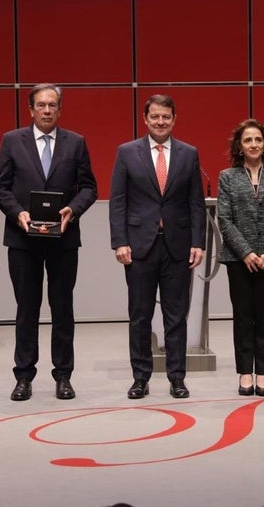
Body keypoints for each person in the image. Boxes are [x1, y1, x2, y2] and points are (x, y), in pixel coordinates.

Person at [0, 83, 97, 401]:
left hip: (63, 239)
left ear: (60, 109)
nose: (47, 110)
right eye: (41, 105)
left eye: (52, 105)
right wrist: (18, 213)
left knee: (63, 309)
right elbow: (0, 188)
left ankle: (63, 376)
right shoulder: (12, 141)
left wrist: (73, 209)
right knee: (27, 310)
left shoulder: (76, 142)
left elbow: (89, 187)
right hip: (23, 240)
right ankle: (24, 376)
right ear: (31, 109)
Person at [109, 94, 206, 399]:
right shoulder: (126, 152)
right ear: (145, 118)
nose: (161, 122)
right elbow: (119, 201)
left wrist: (197, 242)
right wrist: (119, 241)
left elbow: (196, 203)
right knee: (139, 315)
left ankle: (177, 377)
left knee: (176, 316)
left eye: (166, 117)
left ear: (174, 119)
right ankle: (140, 377)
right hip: (139, 248)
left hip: (177, 247)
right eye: (155, 117)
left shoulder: (189, 154)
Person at [217, 119, 264, 396]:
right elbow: (224, 218)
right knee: (243, 317)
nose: (253, 144)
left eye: (258, 139)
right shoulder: (227, 176)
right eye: (248, 140)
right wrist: (246, 252)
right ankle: (245, 372)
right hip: (238, 260)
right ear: (239, 146)